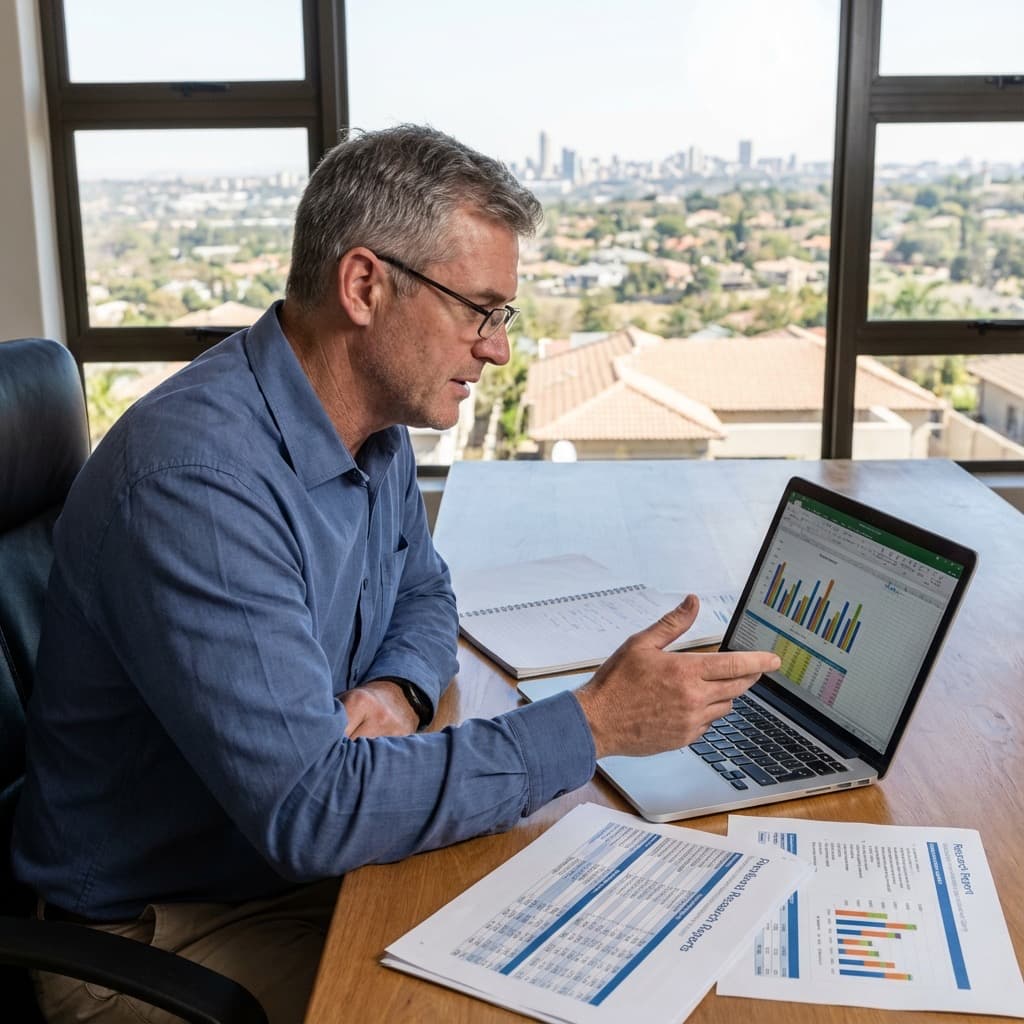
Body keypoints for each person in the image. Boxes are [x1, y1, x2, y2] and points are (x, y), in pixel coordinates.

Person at [13, 125, 780, 1024]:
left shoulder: (365, 425)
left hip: (279, 868)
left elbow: (424, 592)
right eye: (479, 309)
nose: (496, 349)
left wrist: (401, 689)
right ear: (365, 285)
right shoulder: (200, 483)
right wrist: (595, 723)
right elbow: (313, 808)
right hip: (156, 937)